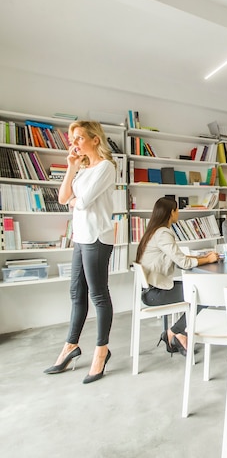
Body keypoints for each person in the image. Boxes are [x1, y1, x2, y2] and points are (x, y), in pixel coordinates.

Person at [44, 121, 117, 384]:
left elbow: (83, 202)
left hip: (98, 237)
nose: (74, 143)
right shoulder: (83, 170)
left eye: (79, 138)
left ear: (95, 139)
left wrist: (77, 200)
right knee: (77, 294)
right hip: (81, 237)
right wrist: (72, 167)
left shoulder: (106, 167)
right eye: (72, 139)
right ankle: (70, 347)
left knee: (98, 295)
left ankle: (101, 351)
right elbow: (64, 198)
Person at [135, 197, 218, 356]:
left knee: (199, 291)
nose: (178, 212)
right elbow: (184, 263)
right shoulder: (163, 233)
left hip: (151, 291)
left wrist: (201, 258)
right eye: (177, 210)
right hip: (156, 294)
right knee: (206, 294)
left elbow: (179, 260)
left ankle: (175, 333)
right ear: (171, 212)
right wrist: (207, 259)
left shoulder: (153, 232)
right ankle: (177, 333)